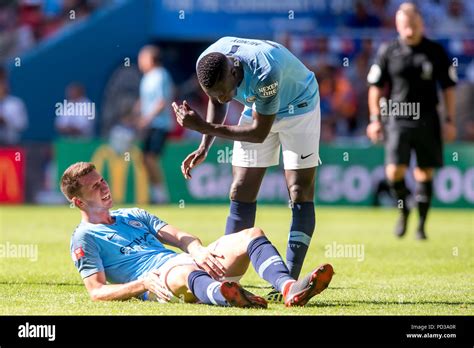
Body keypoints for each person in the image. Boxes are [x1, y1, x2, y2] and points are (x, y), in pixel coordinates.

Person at [60, 162, 334, 307]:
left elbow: (179, 237)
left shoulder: (132, 214)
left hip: (187, 264)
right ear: (79, 202)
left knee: (251, 234)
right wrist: (140, 284)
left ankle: (287, 288)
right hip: (159, 282)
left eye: (102, 180)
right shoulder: (84, 238)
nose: (103, 187)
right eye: (94, 187)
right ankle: (228, 296)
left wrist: (198, 250)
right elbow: (96, 292)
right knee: (181, 273)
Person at [172, 37, 321, 303]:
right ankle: (226, 283)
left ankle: (287, 282)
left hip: (299, 106)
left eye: (224, 91)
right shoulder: (210, 63)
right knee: (240, 188)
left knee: (299, 190)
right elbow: (217, 101)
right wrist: (205, 145)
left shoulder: (265, 71)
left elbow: (258, 133)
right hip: (258, 108)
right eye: (214, 93)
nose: (222, 98)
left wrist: (203, 127)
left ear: (233, 71)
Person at [366, 2, 457, 240]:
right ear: (398, 24)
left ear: (421, 23)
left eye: (413, 24)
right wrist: (375, 119)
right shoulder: (388, 50)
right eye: (405, 25)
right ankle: (404, 209)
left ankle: (421, 226)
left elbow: (448, 88)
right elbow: (375, 88)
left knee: (424, 173)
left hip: (428, 120)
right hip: (397, 118)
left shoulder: (436, 51)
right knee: (394, 172)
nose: (409, 29)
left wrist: (449, 119)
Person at [137, 45, 174, 204]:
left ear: (151, 59)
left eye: (142, 57)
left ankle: (161, 196)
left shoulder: (161, 75)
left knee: (151, 158)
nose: (140, 61)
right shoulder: (147, 77)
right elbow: (144, 101)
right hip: (149, 124)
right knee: (144, 159)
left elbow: (161, 102)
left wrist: (147, 119)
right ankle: (154, 193)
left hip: (159, 124)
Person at [0, 73, 28, 145]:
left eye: (2, 84)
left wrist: (6, 121)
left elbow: (22, 125)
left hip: (11, 145)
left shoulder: (16, 103)